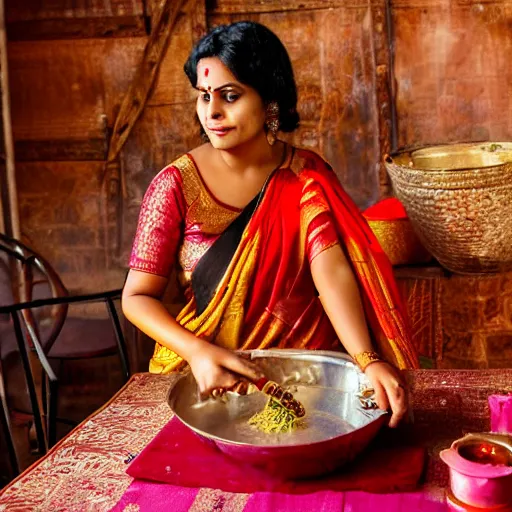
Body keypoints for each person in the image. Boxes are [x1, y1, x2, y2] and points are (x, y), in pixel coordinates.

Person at [122, 21, 419, 428]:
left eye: (230, 96)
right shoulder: (174, 185)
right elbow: (136, 297)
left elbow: (329, 271)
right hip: (205, 379)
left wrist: (367, 360)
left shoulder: (304, 175)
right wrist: (197, 352)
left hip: (305, 377)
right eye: (204, 96)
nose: (212, 112)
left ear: (270, 104)